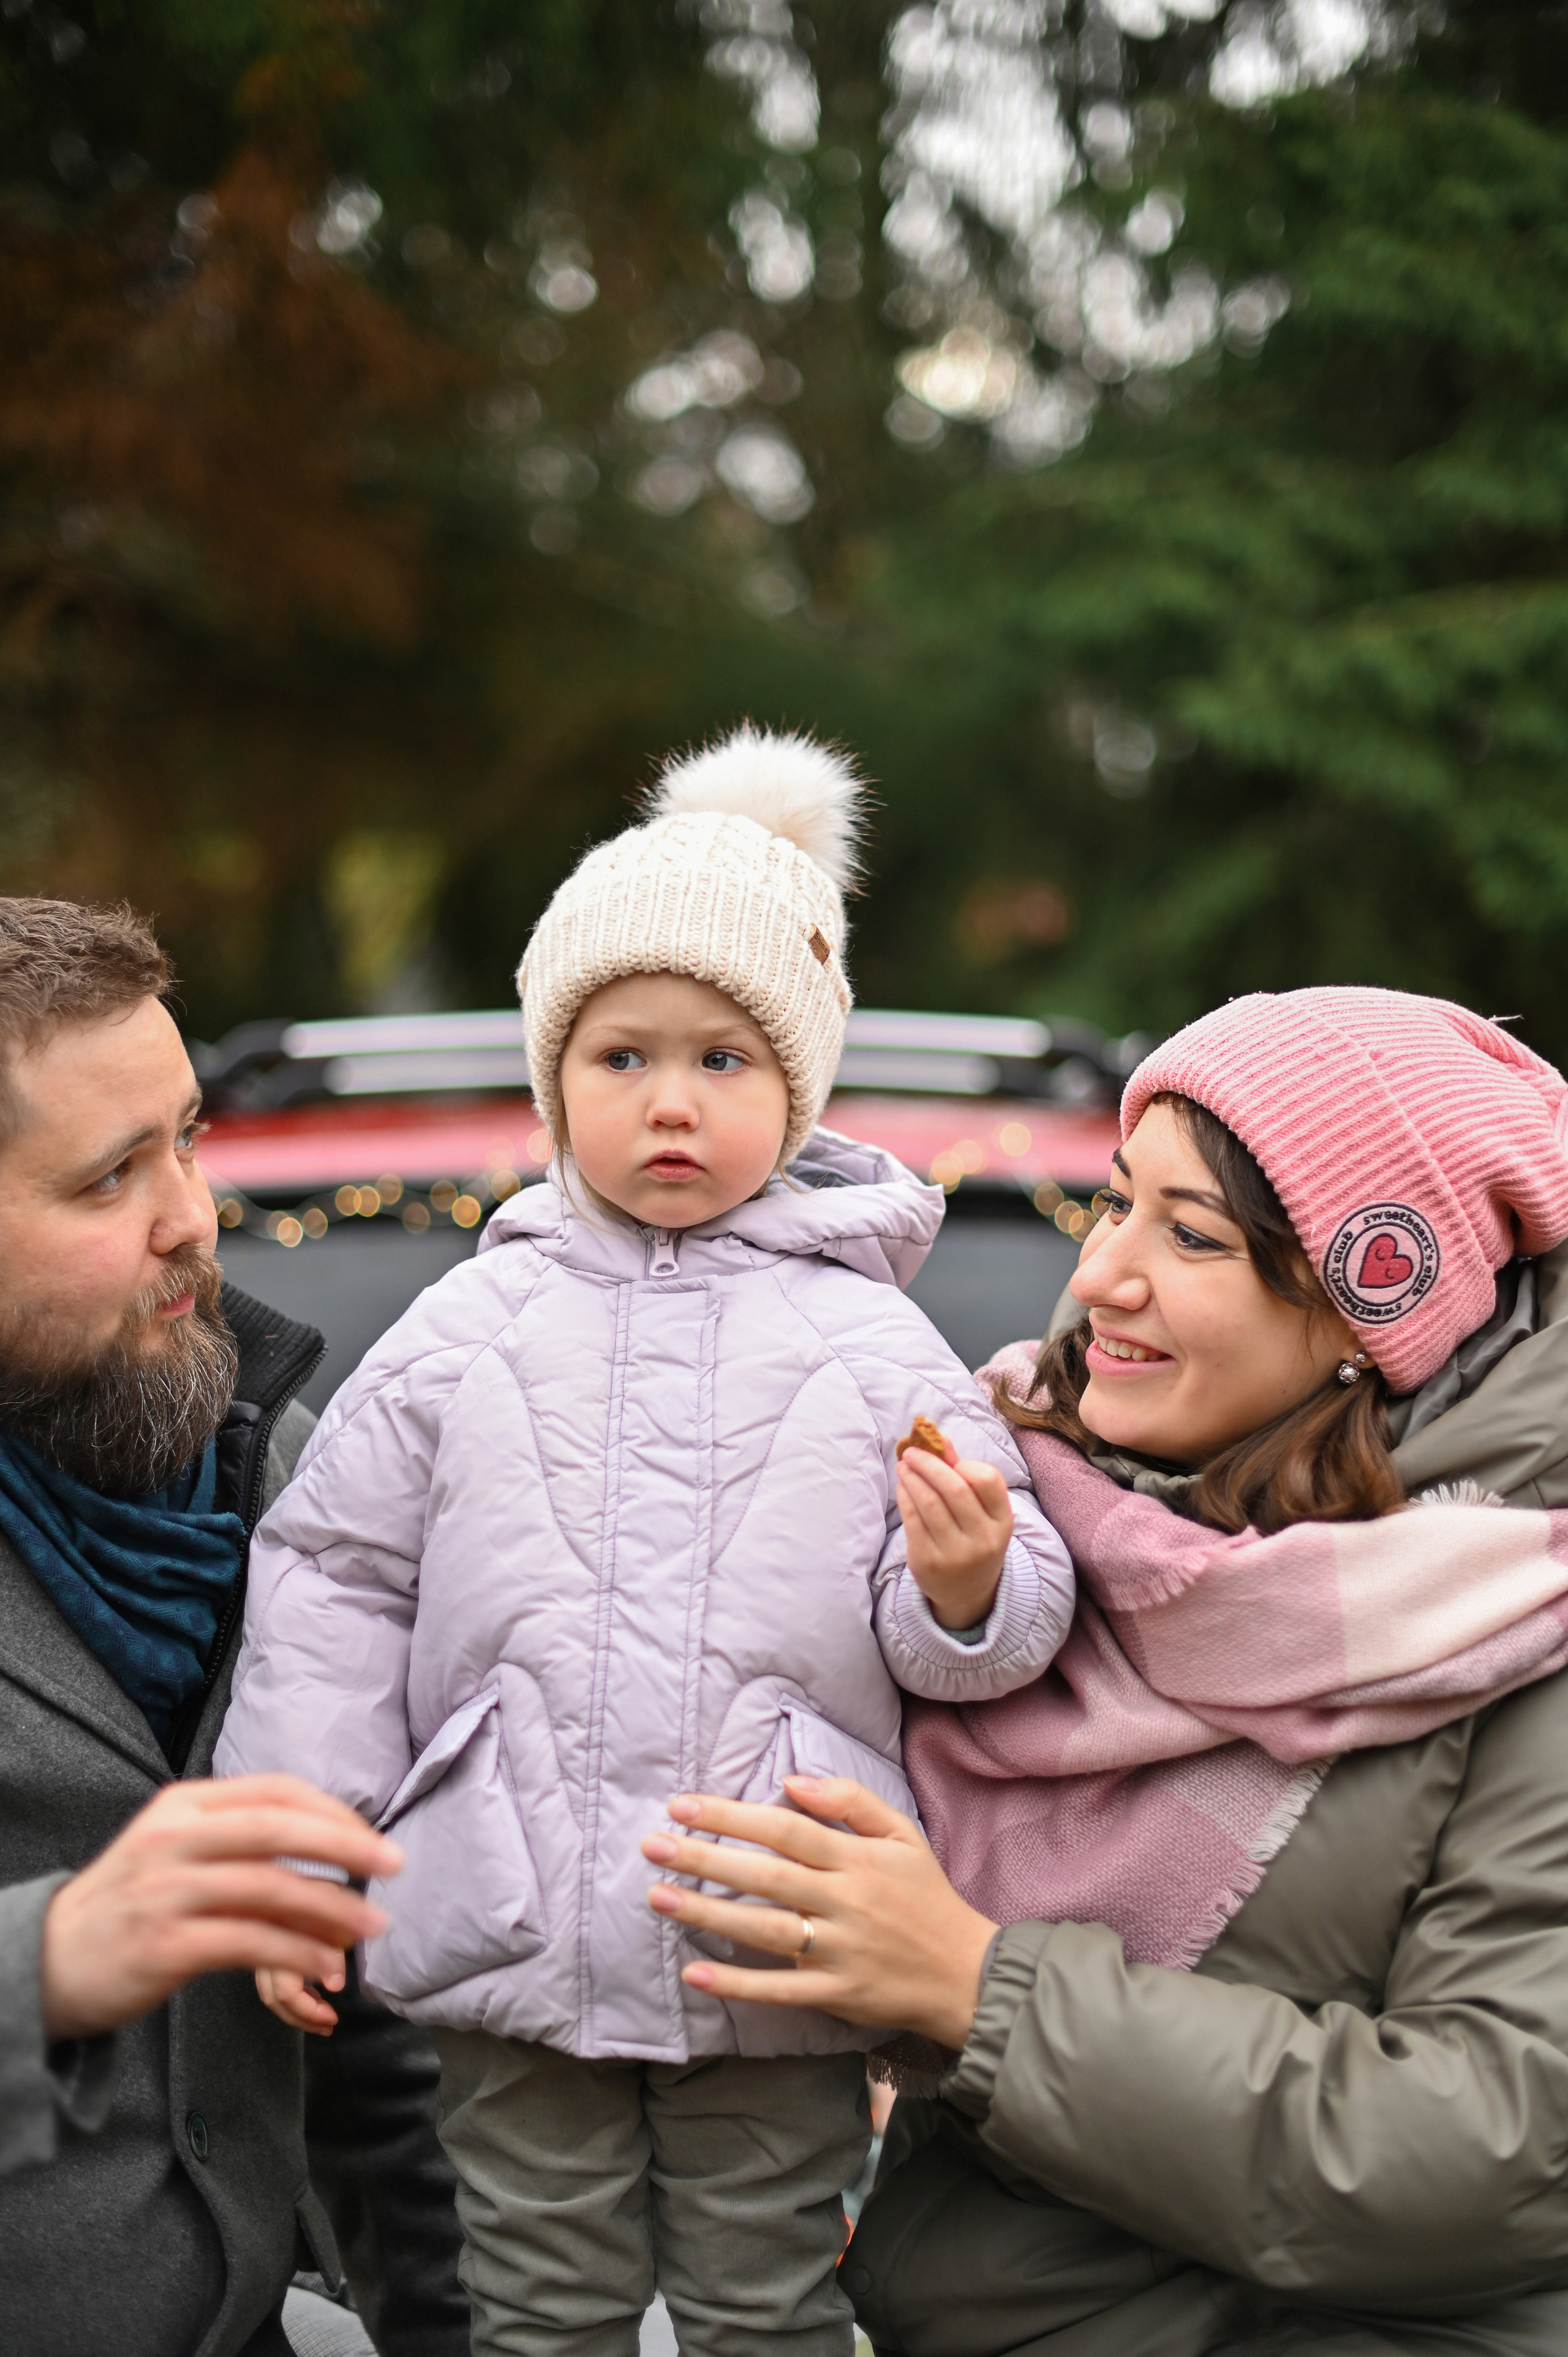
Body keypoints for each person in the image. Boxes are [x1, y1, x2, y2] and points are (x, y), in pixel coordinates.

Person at [215, 726, 1079, 2356]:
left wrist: (966, 1589)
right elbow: (335, 1579)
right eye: (621, 1059)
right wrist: (304, 1845)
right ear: (557, 1084)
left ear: (798, 1088)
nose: (670, 1102)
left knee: (770, 2310)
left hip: (772, 1941)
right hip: (513, 1925)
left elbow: (1003, 1616)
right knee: (538, 2309)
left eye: (723, 1061)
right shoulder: (471, 1322)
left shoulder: (879, 1347)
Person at [633, 986, 1568, 2357]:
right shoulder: (1020, 1528)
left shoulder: (1520, 1629)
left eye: (1188, 1235)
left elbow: (1490, 2139)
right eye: (1117, 1201)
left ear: (1371, 1298)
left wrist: (972, 1985)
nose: (1100, 1275)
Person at [0, 897, 467, 2357]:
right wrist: (55, 1957)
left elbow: (368, 2029)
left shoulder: (292, 1472)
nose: (194, 1216)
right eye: (109, 1178)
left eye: (188, 1136)